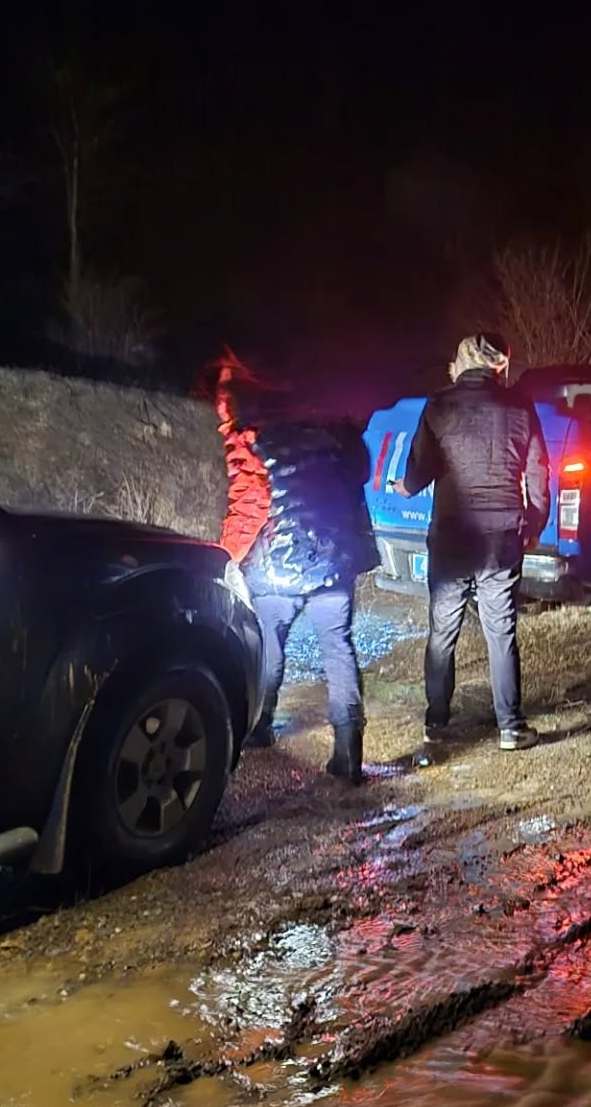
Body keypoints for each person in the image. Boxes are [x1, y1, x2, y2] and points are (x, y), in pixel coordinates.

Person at [213, 354, 377, 785]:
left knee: (270, 645)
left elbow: (249, 504)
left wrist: (224, 557)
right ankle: (348, 753)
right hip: (333, 557)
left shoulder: (254, 438)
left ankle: (260, 725)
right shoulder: (329, 432)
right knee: (338, 648)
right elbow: (358, 475)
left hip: (279, 564)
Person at [393, 332, 549, 751]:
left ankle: (437, 723)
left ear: (461, 363)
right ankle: (511, 728)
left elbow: (418, 470)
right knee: (501, 631)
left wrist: (404, 488)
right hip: (502, 539)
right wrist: (535, 519)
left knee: (443, 631)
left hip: (452, 540)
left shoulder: (439, 405)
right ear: (499, 367)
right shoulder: (519, 406)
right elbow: (537, 470)